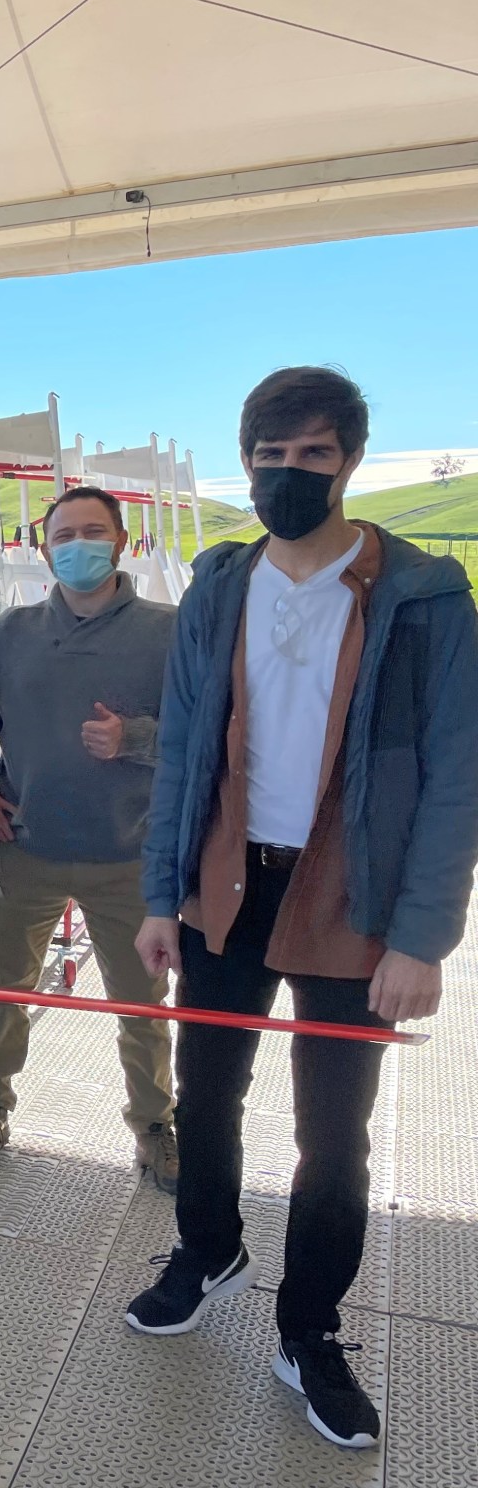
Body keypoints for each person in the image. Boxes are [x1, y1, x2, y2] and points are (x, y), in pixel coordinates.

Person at [126, 367, 478, 1450]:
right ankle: (206, 1249)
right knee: (206, 1087)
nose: (287, 475)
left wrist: (419, 936)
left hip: (347, 888)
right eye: (269, 458)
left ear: (348, 463)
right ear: (245, 464)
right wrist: (158, 896)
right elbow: (183, 748)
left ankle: (308, 1329)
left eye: (311, 456)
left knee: (333, 1133)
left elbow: (456, 771)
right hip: (226, 879)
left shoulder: (419, 599)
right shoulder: (219, 586)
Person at [0, 487, 179, 1189]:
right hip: (29, 847)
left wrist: (133, 738)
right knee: (5, 989)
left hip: (128, 855)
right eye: (65, 535)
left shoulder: (168, 633)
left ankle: (154, 1125)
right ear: (43, 546)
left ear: (121, 540)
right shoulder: (5, 636)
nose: (79, 545)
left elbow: (209, 736)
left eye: (94, 532)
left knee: (142, 1003)